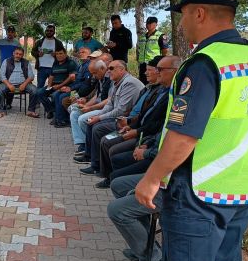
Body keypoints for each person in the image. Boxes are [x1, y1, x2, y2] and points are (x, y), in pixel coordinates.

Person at [135, 0, 248, 261]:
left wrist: (152, 179)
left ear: (200, 14)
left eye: (183, 14)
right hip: (243, 191)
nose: (181, 22)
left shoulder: (206, 64)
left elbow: (183, 134)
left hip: (199, 195)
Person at [95, 56, 179, 188]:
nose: (146, 73)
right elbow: (143, 115)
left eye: (159, 69)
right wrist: (130, 125)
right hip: (139, 131)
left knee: (110, 145)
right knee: (103, 134)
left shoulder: (173, 95)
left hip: (147, 139)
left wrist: (139, 135)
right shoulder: (152, 89)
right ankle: (103, 172)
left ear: (174, 71)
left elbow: (159, 125)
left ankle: (113, 179)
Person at [76, 60, 144, 174]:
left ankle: (97, 166)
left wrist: (99, 118)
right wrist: (98, 116)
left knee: (98, 128)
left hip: (126, 121)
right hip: (118, 117)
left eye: (111, 68)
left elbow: (120, 110)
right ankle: (91, 158)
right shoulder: (116, 82)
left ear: (122, 69)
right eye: (108, 68)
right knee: (91, 122)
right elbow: (109, 105)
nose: (108, 71)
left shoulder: (129, 83)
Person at [107, 173, 163, 261]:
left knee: (116, 211)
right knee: (118, 185)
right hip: (164, 178)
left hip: (178, 189)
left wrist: (147, 155)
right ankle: (144, 245)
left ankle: (154, 260)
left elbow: (172, 158)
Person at [69, 59, 111, 155]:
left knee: (83, 119)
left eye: (95, 73)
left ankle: (90, 147)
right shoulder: (101, 78)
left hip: (106, 109)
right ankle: (83, 143)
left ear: (102, 68)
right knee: (74, 112)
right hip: (99, 106)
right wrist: (86, 106)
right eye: (92, 73)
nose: (93, 76)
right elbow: (97, 96)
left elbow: (109, 100)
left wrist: (90, 108)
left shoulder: (110, 79)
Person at [34, 47, 77, 121]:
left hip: (65, 86)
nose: (58, 55)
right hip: (54, 85)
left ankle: (57, 115)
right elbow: (51, 76)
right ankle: (51, 110)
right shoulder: (55, 63)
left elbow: (71, 77)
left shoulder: (70, 63)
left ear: (65, 54)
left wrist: (59, 86)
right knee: (39, 92)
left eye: (61, 53)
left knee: (54, 95)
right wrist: (49, 86)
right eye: (57, 54)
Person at [0, 47, 38, 115]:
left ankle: (31, 111)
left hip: (23, 84)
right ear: (13, 53)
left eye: (20, 54)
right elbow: (2, 75)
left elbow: (31, 76)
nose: (18, 56)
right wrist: (9, 85)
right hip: (9, 83)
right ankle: (0, 111)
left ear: (22, 55)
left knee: (34, 90)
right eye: (17, 53)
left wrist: (24, 84)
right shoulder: (6, 61)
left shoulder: (26, 62)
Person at [136, 16, 169, 85]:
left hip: (154, 64)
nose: (148, 25)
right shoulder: (142, 37)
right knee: (142, 83)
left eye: (151, 23)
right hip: (143, 64)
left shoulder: (161, 36)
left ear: (156, 24)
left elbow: (165, 51)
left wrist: (160, 63)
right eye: (147, 23)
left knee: (154, 83)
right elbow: (139, 49)